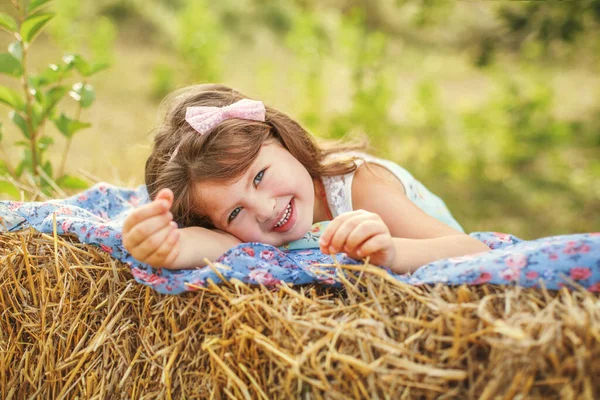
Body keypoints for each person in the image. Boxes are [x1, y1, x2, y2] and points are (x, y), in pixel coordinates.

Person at [122, 83, 490, 274]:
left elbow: (472, 250)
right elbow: (213, 245)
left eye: (259, 176)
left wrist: (392, 252)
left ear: (282, 139)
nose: (265, 209)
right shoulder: (250, 231)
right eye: (234, 213)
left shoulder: (361, 186)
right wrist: (168, 246)